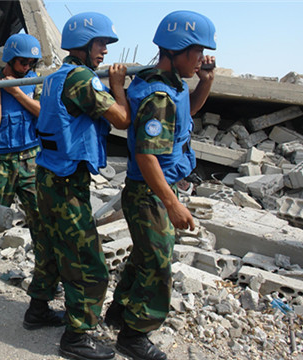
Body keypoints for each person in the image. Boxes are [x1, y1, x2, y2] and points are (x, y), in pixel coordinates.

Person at [103, 11, 216, 360]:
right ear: (178, 50)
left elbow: (187, 115)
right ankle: (134, 336)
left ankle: (119, 312)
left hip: (157, 190)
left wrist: (206, 81)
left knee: (143, 255)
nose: (200, 59)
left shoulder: (174, 86)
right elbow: (147, 156)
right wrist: (172, 204)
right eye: (196, 52)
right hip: (150, 192)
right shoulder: (157, 96)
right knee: (158, 264)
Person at [26, 12, 130, 360]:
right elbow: (121, 119)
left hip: (48, 174)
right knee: (88, 262)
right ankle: (76, 336)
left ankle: (37, 309)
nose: (104, 51)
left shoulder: (57, 76)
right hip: (66, 182)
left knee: (53, 245)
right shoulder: (83, 79)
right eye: (100, 44)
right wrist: (117, 86)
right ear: (83, 45)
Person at [0, 33, 45, 287]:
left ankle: (45, 270)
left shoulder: (34, 83)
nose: (27, 67)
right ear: (11, 59)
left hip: (31, 161)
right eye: (23, 62)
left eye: (31, 63)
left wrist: (16, 93)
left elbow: (43, 114)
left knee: (40, 216)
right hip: (0, 161)